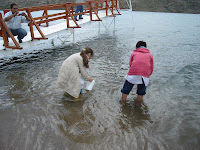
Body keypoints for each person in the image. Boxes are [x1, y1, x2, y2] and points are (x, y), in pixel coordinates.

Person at [121, 41, 154, 106]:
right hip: (144, 75)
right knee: (141, 92)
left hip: (133, 73)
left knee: (126, 89)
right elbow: (151, 67)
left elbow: (130, 64)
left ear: (137, 47)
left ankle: (123, 103)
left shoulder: (134, 53)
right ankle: (138, 105)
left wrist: (133, 71)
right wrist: (148, 75)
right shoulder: (150, 55)